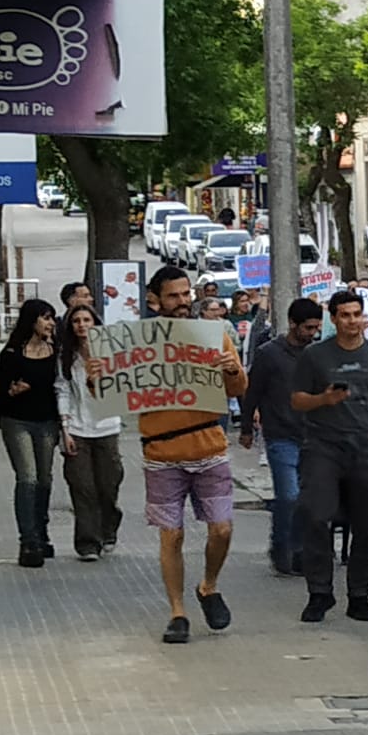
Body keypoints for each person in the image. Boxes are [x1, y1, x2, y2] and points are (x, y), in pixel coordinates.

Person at [130, 267, 246, 644]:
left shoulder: (212, 336)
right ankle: (177, 612)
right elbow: (114, 387)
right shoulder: (138, 343)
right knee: (171, 535)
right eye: (173, 296)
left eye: (185, 294)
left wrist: (231, 370)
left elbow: (239, 386)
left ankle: (208, 585)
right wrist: (98, 375)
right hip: (161, 451)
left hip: (209, 445)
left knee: (222, 528)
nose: (182, 302)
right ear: (155, 300)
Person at [291, 290, 368, 624]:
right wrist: (323, 399)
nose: (352, 321)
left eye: (357, 314)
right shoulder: (314, 356)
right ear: (333, 319)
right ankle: (320, 592)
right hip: (323, 448)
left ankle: (359, 595)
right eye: (345, 315)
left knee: (366, 527)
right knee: (315, 517)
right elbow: (297, 400)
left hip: (366, 449)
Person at [242, 298, 322, 575]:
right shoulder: (269, 354)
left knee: (306, 499)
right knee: (289, 496)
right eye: (308, 328)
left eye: (316, 328)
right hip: (280, 435)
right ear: (292, 324)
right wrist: (245, 428)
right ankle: (282, 546)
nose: (312, 333)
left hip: (313, 437)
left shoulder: (317, 354)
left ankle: (298, 549)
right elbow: (252, 391)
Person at [0, 299, 63, 567]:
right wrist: (11, 392)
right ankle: (28, 541)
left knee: (44, 479)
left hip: (47, 422)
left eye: (52, 318)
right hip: (17, 422)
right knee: (28, 478)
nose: (51, 323)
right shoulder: (12, 353)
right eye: (45, 318)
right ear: (32, 321)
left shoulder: (56, 352)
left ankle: (41, 533)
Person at [56, 304, 124, 561]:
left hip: (107, 426)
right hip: (77, 427)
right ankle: (87, 543)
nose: (82, 325)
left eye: (86, 320)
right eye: (76, 321)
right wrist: (65, 428)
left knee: (108, 484)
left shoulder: (110, 352)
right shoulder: (67, 356)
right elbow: (62, 389)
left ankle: (109, 526)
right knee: (82, 486)